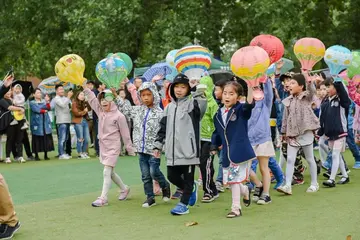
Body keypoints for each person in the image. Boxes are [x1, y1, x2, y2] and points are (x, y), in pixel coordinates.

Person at [153, 74, 207, 215]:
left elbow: (201, 108)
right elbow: (163, 127)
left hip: (189, 150)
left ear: (188, 89)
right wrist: (158, 144)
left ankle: (184, 204)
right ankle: (191, 189)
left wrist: (198, 90)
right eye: (176, 86)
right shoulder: (169, 107)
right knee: (172, 177)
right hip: (172, 152)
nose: (179, 90)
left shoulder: (192, 104)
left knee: (188, 179)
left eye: (183, 87)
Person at [114, 81, 171, 208]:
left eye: (148, 95)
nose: (145, 98)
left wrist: (161, 145)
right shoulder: (138, 110)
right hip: (140, 148)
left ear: (154, 95)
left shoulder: (160, 113)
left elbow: (164, 131)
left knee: (154, 172)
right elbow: (125, 109)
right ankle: (150, 197)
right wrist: (115, 95)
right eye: (143, 95)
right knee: (145, 175)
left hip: (154, 149)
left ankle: (165, 185)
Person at [83, 82, 135, 207]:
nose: (103, 102)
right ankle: (124, 188)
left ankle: (103, 198)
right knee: (110, 172)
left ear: (112, 100)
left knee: (106, 171)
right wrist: (85, 88)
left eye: (107, 99)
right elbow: (92, 100)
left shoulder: (119, 116)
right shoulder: (100, 111)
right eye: (102, 99)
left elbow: (125, 134)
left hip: (114, 147)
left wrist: (129, 148)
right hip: (103, 146)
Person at [211, 81, 255, 218]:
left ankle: (236, 208)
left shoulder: (241, 110)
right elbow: (217, 133)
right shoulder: (218, 114)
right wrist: (214, 145)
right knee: (230, 182)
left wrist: (250, 86)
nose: (227, 96)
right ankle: (245, 189)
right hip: (226, 153)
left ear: (238, 97)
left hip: (239, 151)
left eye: (231, 93)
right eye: (225, 93)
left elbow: (249, 106)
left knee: (234, 179)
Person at [277, 73, 320, 195]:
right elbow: (285, 118)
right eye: (289, 83)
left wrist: (309, 79)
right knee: (290, 159)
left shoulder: (306, 97)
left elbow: (311, 90)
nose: (289, 85)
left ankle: (314, 183)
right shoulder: (288, 101)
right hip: (292, 133)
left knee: (310, 158)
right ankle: (287, 185)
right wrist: (283, 132)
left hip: (306, 132)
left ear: (301, 86)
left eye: (293, 83)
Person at [248, 77, 276, 205]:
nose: (255, 89)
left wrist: (266, 79)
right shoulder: (247, 103)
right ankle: (258, 185)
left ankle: (266, 194)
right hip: (249, 139)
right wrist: (249, 82)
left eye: (257, 87)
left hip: (263, 138)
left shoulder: (266, 102)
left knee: (264, 168)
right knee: (246, 168)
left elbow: (269, 92)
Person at [318, 79, 350, 187]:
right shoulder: (325, 102)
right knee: (338, 155)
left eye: (329, 86)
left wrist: (337, 82)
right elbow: (322, 118)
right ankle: (345, 176)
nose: (327, 89)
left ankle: (331, 179)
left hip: (340, 132)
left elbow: (345, 97)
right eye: (326, 87)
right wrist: (320, 131)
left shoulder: (341, 100)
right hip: (329, 133)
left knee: (335, 155)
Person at [198, 76, 219, 203]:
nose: (203, 91)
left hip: (209, 139)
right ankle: (213, 189)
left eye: (205, 88)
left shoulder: (212, 104)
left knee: (205, 165)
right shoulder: (196, 101)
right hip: (198, 138)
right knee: (204, 166)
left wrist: (215, 144)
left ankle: (208, 191)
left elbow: (217, 124)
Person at [0, 88, 25, 163]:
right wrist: (20, 109)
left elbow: (20, 106)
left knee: (19, 139)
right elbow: (10, 108)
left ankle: (20, 156)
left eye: (9, 91)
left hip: (17, 121)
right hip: (8, 122)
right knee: (10, 139)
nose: (8, 92)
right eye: (6, 91)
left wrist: (21, 109)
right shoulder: (1, 99)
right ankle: (7, 157)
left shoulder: (13, 100)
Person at [29, 88, 54, 160]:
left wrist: (47, 102)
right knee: (36, 137)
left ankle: (46, 154)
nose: (39, 94)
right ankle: (36, 155)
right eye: (37, 93)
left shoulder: (44, 101)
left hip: (45, 122)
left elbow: (48, 108)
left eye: (40, 93)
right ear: (34, 94)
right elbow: (37, 110)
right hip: (37, 122)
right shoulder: (32, 102)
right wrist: (44, 108)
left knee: (45, 137)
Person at [213, 79, 227, 193]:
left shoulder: (226, 107)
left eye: (217, 89)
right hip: (217, 137)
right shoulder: (216, 104)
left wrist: (222, 141)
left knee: (222, 160)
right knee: (222, 160)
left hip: (225, 139)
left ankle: (219, 181)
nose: (214, 91)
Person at [51, 84, 73, 159]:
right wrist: (69, 97)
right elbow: (63, 105)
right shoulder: (56, 98)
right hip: (61, 121)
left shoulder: (65, 98)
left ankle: (64, 152)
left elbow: (70, 106)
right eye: (60, 89)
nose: (62, 90)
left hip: (67, 120)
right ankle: (61, 154)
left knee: (66, 138)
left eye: (62, 89)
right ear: (56, 91)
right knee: (62, 138)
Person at [72, 91, 90, 159]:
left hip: (85, 121)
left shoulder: (84, 103)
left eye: (83, 95)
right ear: (77, 96)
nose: (82, 96)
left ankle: (84, 152)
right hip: (78, 122)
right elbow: (76, 113)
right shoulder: (74, 103)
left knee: (87, 138)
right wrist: (84, 111)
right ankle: (80, 153)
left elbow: (89, 108)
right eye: (81, 94)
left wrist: (87, 101)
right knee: (80, 138)